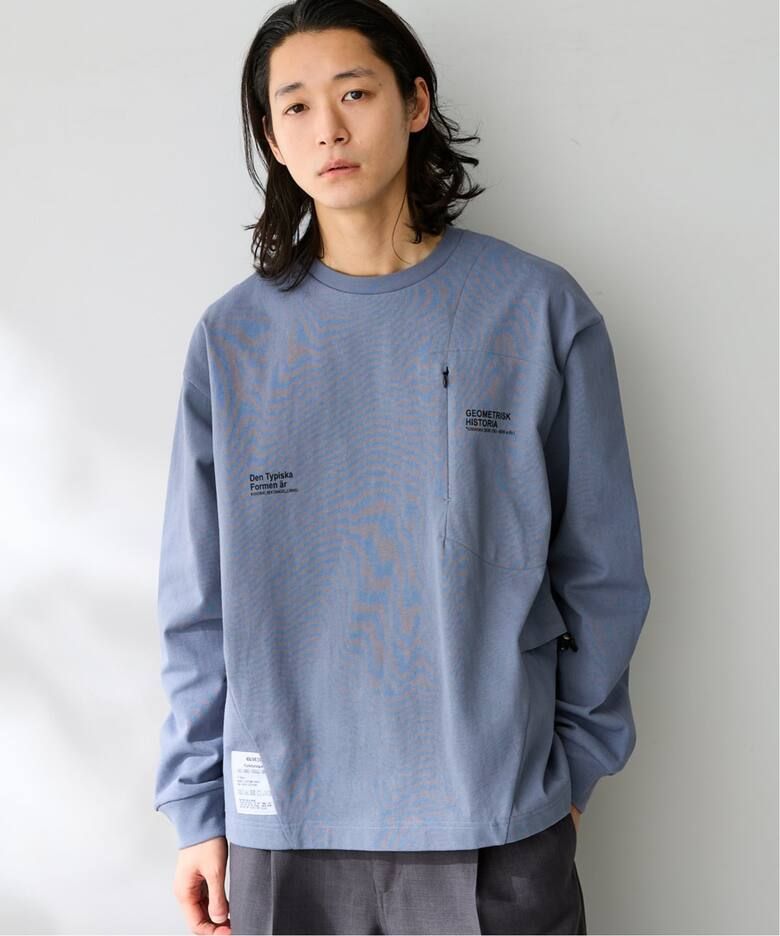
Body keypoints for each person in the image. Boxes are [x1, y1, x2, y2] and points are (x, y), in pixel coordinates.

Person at [152, 1, 651, 933]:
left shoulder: (537, 310)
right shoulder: (233, 339)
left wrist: (574, 769)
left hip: (498, 821)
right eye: (295, 107)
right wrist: (196, 805)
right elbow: (198, 599)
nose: (328, 130)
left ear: (415, 103)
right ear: (272, 138)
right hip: (282, 829)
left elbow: (603, 570)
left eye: (355, 93)